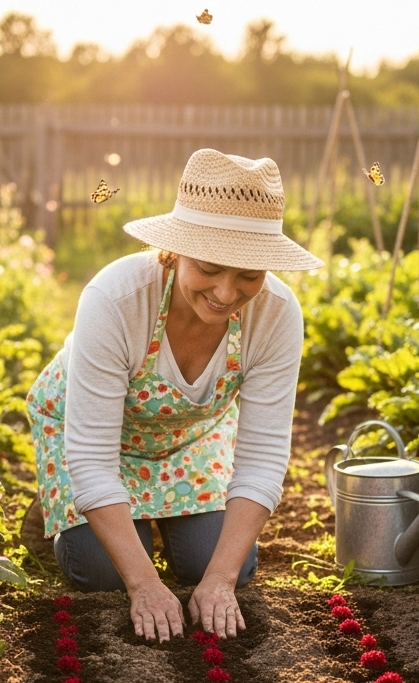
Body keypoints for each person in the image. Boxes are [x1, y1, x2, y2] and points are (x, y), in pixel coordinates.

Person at [26, 148, 322, 643]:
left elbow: (264, 455)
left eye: (249, 276)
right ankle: (56, 514)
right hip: (94, 442)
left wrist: (220, 581)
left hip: (187, 440)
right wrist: (144, 584)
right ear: (175, 250)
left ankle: (159, 520)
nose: (227, 293)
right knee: (101, 573)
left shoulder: (277, 316)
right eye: (209, 268)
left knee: (227, 562)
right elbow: (93, 456)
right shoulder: (115, 299)